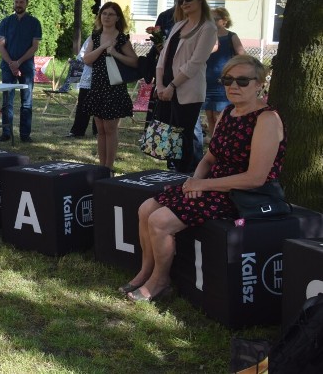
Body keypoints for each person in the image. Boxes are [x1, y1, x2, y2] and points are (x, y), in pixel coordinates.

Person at [121, 55, 285, 302]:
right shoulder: (228, 113)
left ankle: (160, 281)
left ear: (259, 84)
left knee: (160, 220)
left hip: (242, 195)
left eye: (242, 81)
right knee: (146, 209)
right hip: (213, 186)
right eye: (227, 80)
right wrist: (193, 183)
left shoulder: (266, 119)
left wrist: (203, 185)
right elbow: (209, 159)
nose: (233, 86)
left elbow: (255, 178)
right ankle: (146, 270)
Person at [154, 0, 218, 173]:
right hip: (165, 87)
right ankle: (172, 173)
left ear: (200, 0)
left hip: (187, 89)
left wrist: (173, 85)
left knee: (184, 136)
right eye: (180, 1)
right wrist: (160, 85)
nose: (184, 3)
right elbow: (164, 56)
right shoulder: (179, 25)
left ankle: (185, 175)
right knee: (168, 133)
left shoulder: (208, 28)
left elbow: (195, 62)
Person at [146, 0, 204, 160]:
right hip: (166, 79)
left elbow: (203, 53)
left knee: (189, 130)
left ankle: (191, 167)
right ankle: (172, 164)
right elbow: (161, 51)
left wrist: (172, 84)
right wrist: (161, 84)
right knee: (167, 126)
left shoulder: (205, 24)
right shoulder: (168, 18)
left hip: (187, 81)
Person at [82, 2, 139, 171]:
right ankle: (102, 166)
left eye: (111, 14)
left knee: (110, 128)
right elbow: (87, 59)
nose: (107, 17)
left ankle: (109, 166)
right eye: (104, 13)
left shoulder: (121, 38)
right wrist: (103, 47)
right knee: (100, 128)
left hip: (114, 87)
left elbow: (134, 62)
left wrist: (114, 53)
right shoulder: (95, 36)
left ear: (117, 18)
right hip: (98, 86)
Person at [0, 0, 42, 143]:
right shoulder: (6, 22)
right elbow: (1, 46)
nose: (18, 4)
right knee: (7, 101)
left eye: (21, 2)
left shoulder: (34, 22)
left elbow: (34, 46)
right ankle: (6, 132)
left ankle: (25, 134)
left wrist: (19, 62)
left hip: (26, 66)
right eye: (16, 2)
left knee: (27, 101)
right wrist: (11, 63)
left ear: (27, 3)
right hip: (7, 66)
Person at [203, 7, 246, 139]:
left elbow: (242, 56)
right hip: (206, 81)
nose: (211, 21)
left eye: (215, 19)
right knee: (209, 116)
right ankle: (213, 144)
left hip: (222, 82)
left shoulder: (231, 36)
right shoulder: (206, 36)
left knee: (219, 115)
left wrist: (230, 73)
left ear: (224, 21)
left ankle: (223, 141)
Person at [66, 38, 97, 138]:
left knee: (100, 105)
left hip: (106, 77)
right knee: (83, 105)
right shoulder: (92, 37)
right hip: (89, 75)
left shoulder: (116, 36)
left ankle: (99, 131)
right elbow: (83, 57)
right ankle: (78, 131)